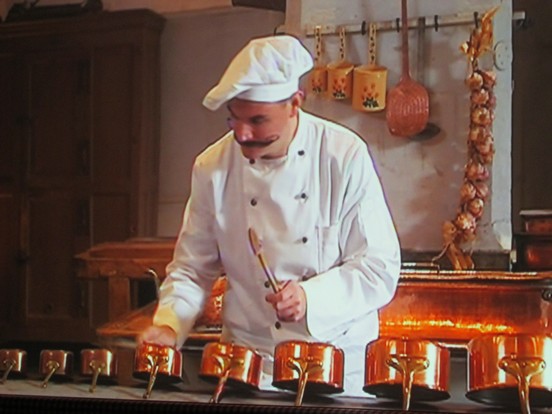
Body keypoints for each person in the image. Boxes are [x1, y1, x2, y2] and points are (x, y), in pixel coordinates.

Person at [138, 34, 401, 397]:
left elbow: (379, 267)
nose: (243, 135)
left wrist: (311, 298)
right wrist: (169, 325)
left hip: (338, 366)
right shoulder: (212, 167)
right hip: (249, 366)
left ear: (295, 104)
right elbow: (191, 269)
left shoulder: (343, 156)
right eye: (235, 120)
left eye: (258, 121)